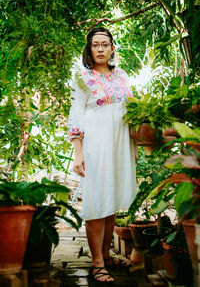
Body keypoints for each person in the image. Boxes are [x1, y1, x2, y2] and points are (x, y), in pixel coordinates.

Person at [67, 27, 137, 283]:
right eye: (95, 45)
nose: (100, 49)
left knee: (110, 201)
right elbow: (75, 116)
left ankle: (106, 255)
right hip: (95, 146)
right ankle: (97, 263)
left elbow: (131, 111)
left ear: (112, 48)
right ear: (89, 48)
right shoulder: (82, 78)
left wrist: (135, 148)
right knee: (97, 200)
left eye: (104, 44)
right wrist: (78, 153)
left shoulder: (122, 76)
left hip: (120, 147)